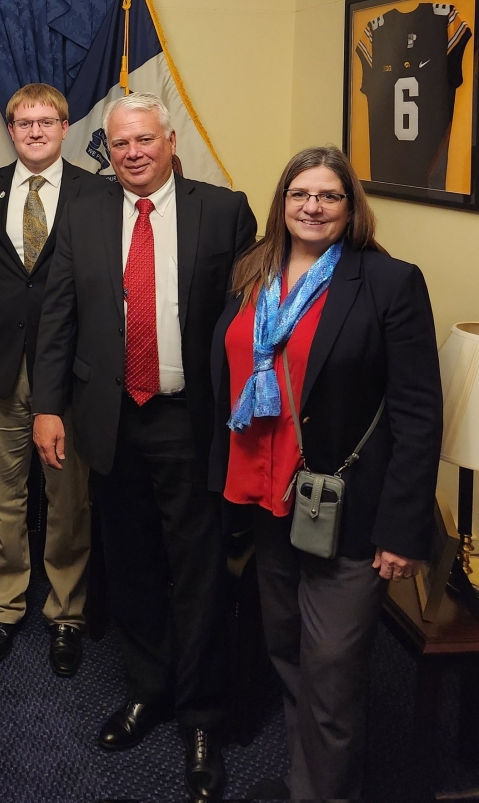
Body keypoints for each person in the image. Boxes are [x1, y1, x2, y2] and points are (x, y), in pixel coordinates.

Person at [32, 92, 256, 800]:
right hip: (111, 418)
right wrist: (46, 406)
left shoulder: (223, 211)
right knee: (127, 562)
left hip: (190, 420)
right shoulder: (86, 210)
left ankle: (201, 715)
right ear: (109, 148)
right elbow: (59, 312)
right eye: (120, 143)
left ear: (168, 139)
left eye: (144, 140)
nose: (132, 153)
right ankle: (147, 690)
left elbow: (248, 317)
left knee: (198, 569)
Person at [209, 146, 442, 801]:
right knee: (286, 649)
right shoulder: (254, 271)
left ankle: (327, 791)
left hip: (349, 509)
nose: (312, 207)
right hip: (265, 497)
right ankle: (304, 778)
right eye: (299, 194)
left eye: (328, 196)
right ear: (282, 202)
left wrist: (404, 528)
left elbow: (418, 413)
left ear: (350, 207)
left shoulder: (390, 282)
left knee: (334, 667)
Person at [0, 82, 95, 675]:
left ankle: (66, 612)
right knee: (1, 496)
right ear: (11, 130)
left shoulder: (98, 192)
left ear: (65, 128)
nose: (36, 131)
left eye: (47, 122)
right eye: (24, 123)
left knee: (67, 500)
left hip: (67, 371)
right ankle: (4, 606)